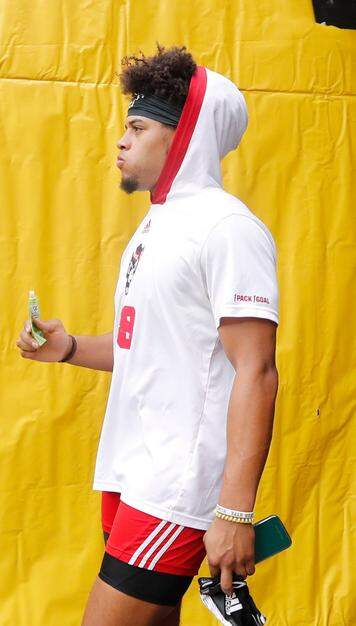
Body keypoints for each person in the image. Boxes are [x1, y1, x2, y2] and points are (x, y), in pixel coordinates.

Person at [15, 46, 280, 626]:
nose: (122, 141)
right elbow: (153, 350)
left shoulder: (227, 228)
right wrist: (68, 348)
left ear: (183, 136)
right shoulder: (154, 228)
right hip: (131, 471)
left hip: (178, 486)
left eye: (138, 126)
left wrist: (234, 511)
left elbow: (256, 370)